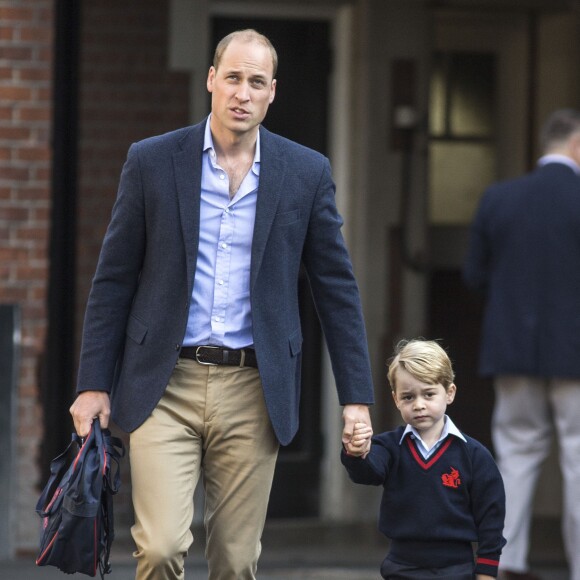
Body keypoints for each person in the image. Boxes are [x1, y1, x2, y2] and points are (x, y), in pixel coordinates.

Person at [69, 29, 375, 580]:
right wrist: (94, 383)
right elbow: (112, 280)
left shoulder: (305, 173)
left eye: (256, 82)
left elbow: (337, 289)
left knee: (236, 562)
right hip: (164, 383)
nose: (242, 92)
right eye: (232, 77)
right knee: (160, 548)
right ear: (211, 80)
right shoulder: (153, 161)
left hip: (253, 389)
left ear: (272, 92)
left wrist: (356, 397)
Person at [463, 108, 580, 580]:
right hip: (575, 353)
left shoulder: (499, 198)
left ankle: (505, 565)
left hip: (511, 350)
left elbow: (474, 275)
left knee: (514, 456)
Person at [342, 339, 506, 580]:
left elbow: (491, 518)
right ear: (396, 399)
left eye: (429, 394)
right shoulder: (388, 446)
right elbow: (368, 472)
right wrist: (356, 452)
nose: (419, 405)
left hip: (457, 570)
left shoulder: (475, 456)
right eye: (408, 397)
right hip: (401, 567)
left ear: (449, 393)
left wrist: (486, 573)